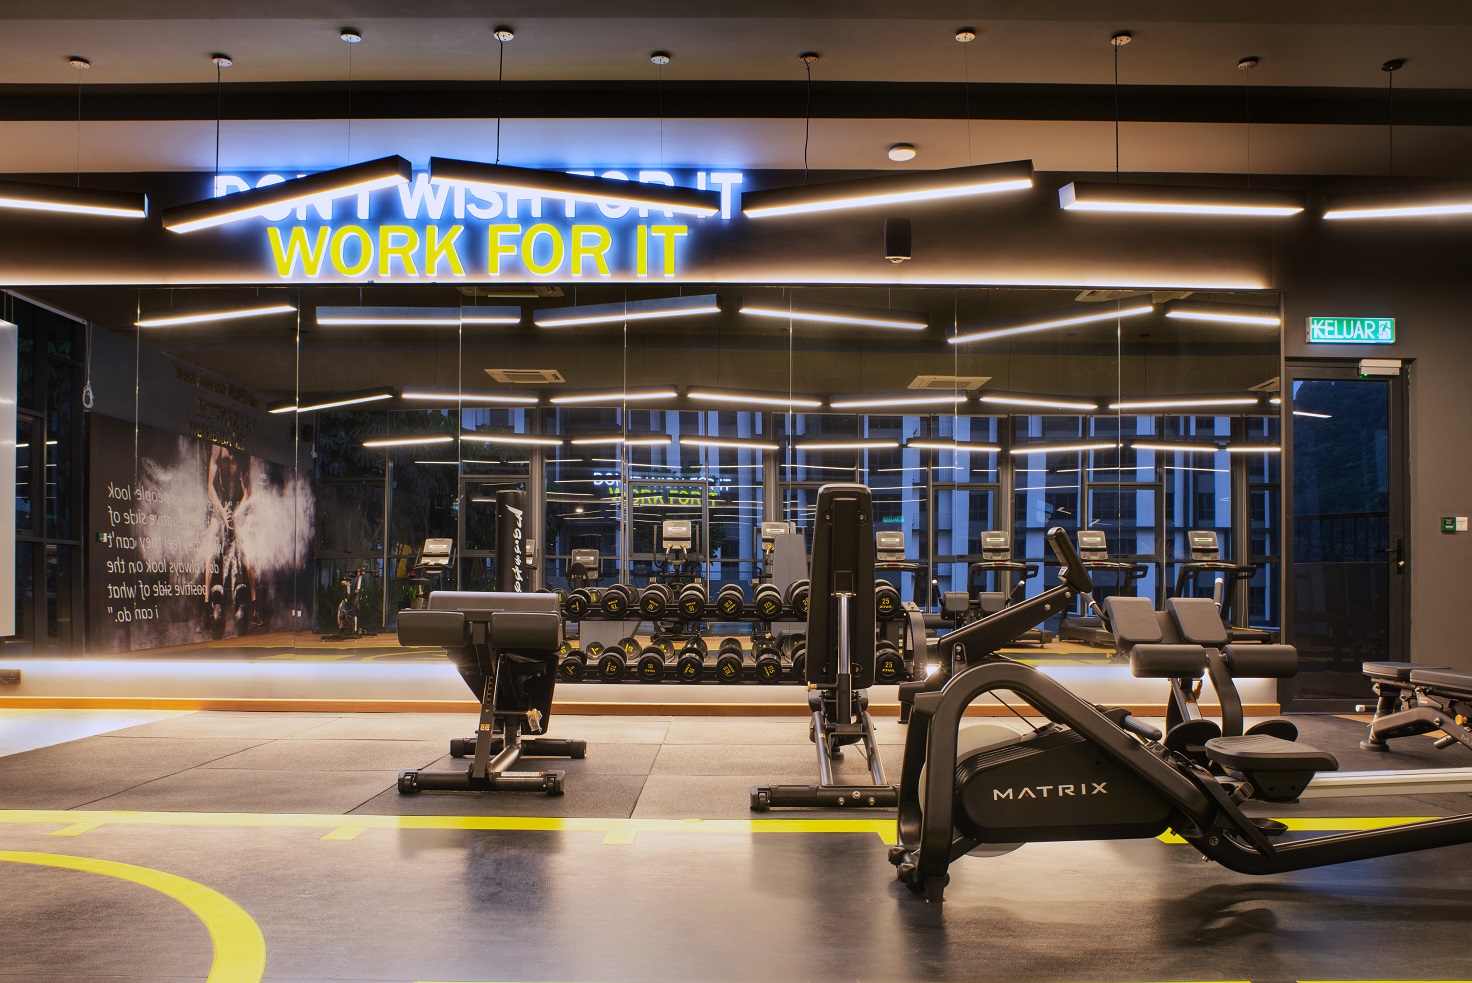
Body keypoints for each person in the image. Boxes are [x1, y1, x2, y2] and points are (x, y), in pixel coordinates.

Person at [202, 444, 261, 632]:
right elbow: (210, 486)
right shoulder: (217, 449)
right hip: (221, 505)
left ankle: (254, 608)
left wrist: (235, 515)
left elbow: (247, 492)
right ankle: (206, 609)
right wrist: (222, 511)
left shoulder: (243, 453)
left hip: (238, 506)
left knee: (249, 553)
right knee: (210, 546)